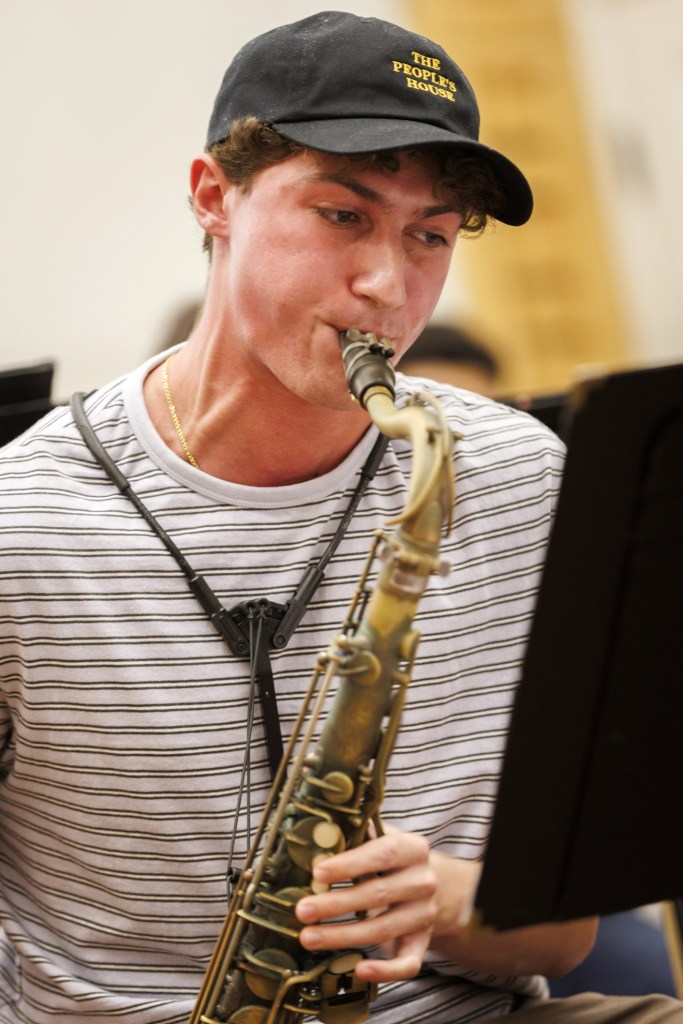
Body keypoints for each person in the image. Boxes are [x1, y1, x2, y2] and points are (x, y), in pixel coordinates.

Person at [0, 11, 679, 1024]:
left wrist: (454, 901)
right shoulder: (23, 522)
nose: (386, 287)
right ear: (210, 196)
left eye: (429, 236)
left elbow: (566, 937)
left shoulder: (520, 478)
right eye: (341, 216)